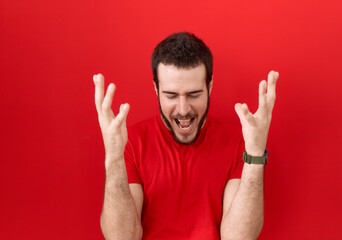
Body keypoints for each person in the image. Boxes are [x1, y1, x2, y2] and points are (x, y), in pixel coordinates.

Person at [93, 32, 279, 240]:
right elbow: (121, 237)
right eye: (171, 95)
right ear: (156, 89)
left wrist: (255, 154)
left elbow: (239, 237)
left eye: (194, 94)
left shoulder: (238, 144)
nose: (183, 109)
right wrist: (113, 157)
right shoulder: (131, 143)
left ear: (209, 87)